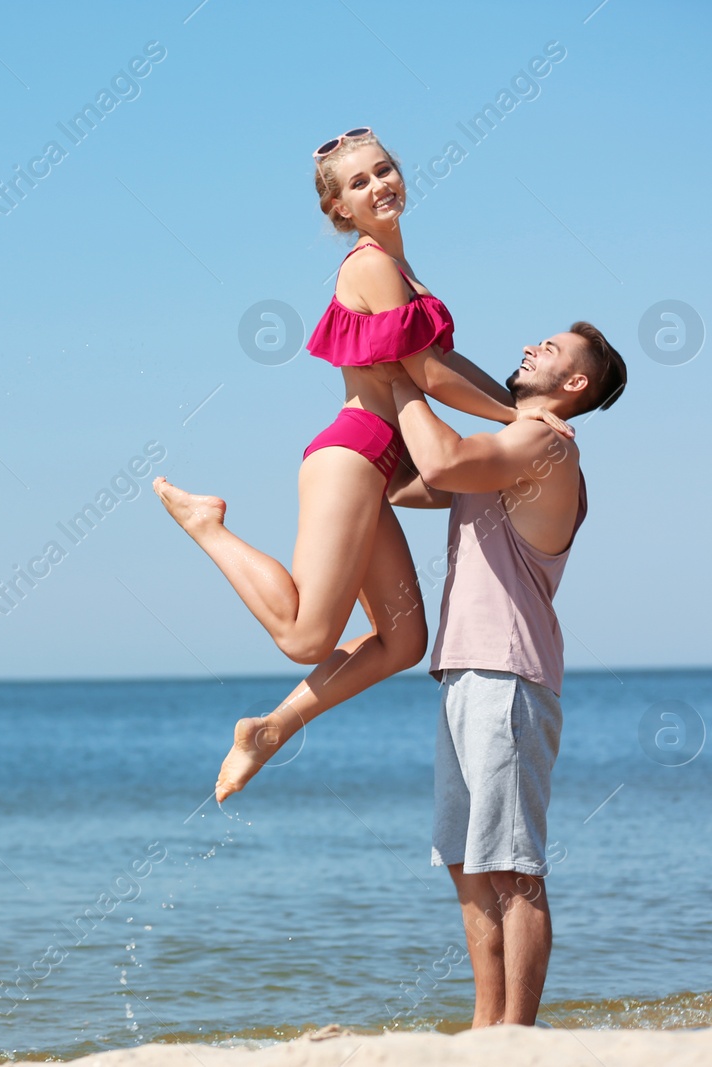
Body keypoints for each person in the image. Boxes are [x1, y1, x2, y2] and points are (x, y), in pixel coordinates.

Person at [152, 127, 568, 802]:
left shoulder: (405, 273)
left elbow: (446, 363)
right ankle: (208, 525)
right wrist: (519, 418)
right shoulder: (368, 265)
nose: (379, 185)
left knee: (402, 641)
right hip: (351, 454)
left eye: (384, 171)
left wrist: (519, 411)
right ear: (339, 210)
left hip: (377, 465)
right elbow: (428, 373)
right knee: (305, 635)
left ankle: (269, 729)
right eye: (359, 183)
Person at [232, 324, 626, 1026]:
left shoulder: (546, 444)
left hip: (506, 673)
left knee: (513, 867)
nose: (533, 346)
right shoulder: (504, 450)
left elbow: (442, 463)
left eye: (554, 350)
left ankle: (517, 1034)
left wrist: (401, 370)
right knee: (468, 864)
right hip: (464, 672)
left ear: (575, 386)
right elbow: (416, 483)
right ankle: (486, 1023)